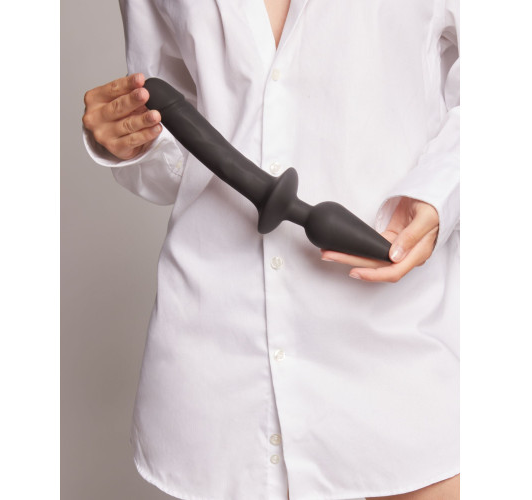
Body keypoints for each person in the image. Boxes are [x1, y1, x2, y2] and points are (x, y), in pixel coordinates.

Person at [82, 1, 459, 499]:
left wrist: (441, 194)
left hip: (395, 347)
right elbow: (172, 153)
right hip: (217, 366)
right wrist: (130, 139)